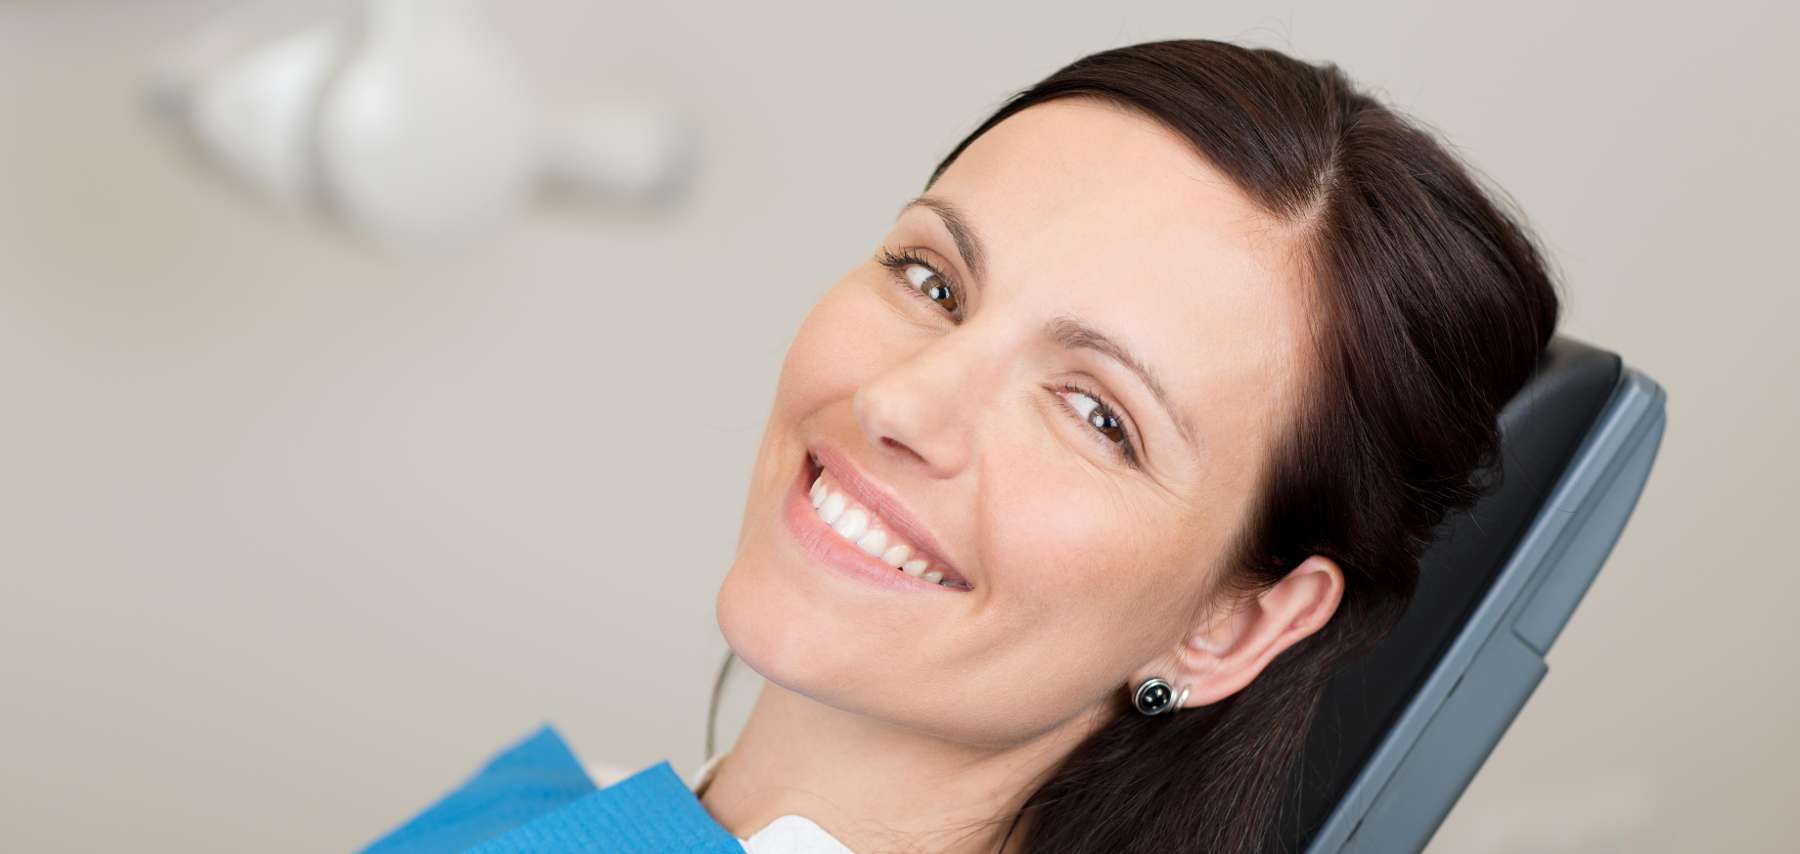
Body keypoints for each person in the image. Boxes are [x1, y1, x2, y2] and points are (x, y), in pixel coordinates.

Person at [363, 37, 1561, 854]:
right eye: (931, 277)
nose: (905, 402)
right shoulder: (548, 808)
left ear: (1233, 623)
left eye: (1098, 413)